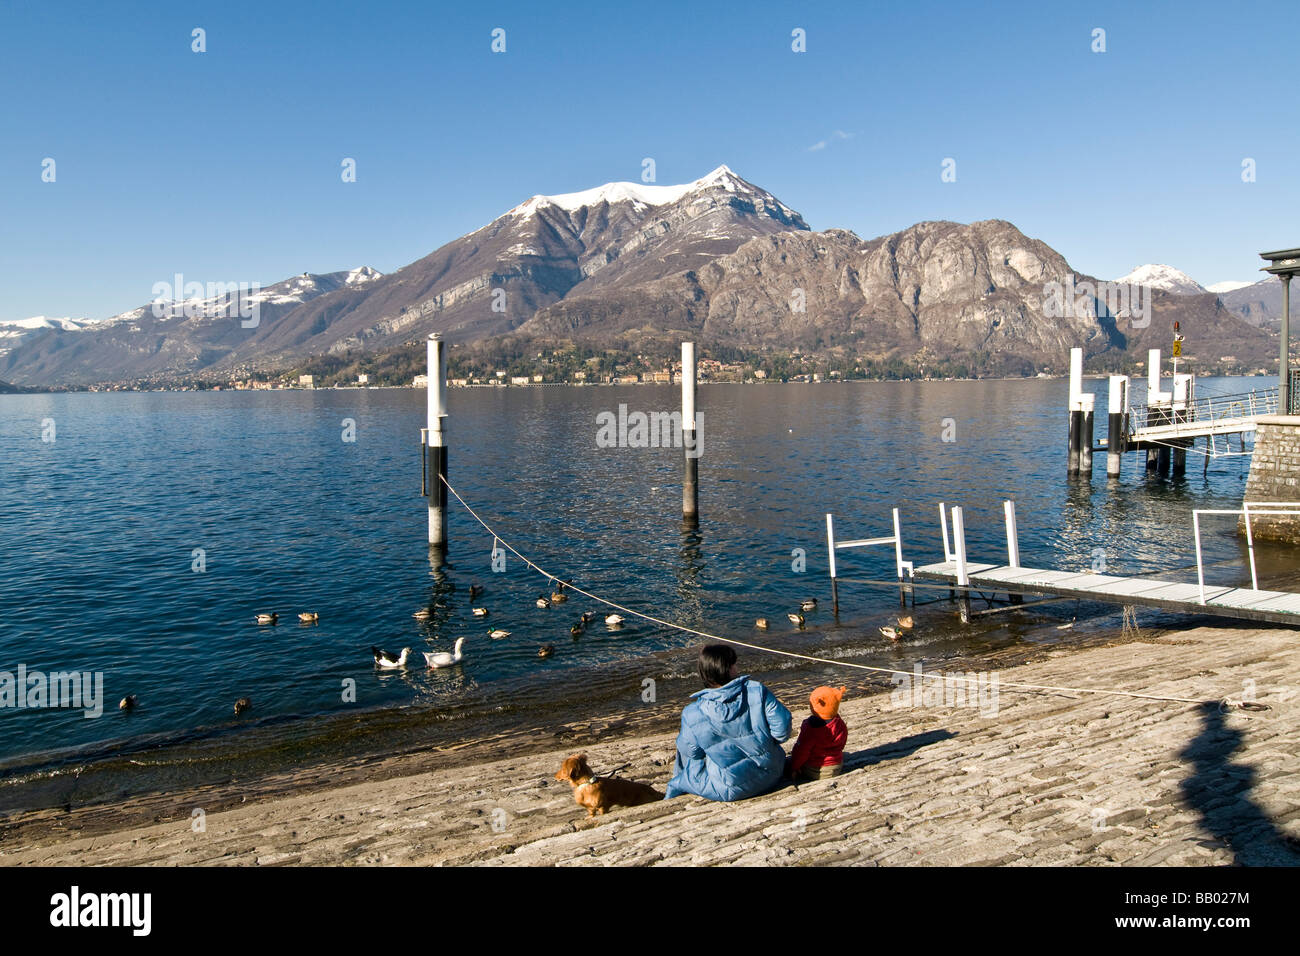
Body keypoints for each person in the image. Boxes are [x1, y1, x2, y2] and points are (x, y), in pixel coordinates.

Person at [664, 644, 792, 801]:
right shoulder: (756, 690)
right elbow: (782, 731)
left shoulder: (692, 713)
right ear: (729, 669)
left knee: (683, 756)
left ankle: (671, 795)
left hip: (730, 788)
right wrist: (763, 744)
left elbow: (692, 753)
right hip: (772, 772)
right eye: (734, 663)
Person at [788, 685, 848, 781]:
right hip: (837, 765)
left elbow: (801, 752)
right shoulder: (839, 723)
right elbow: (842, 743)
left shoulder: (811, 728)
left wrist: (794, 767)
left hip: (816, 770)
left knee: (788, 763)